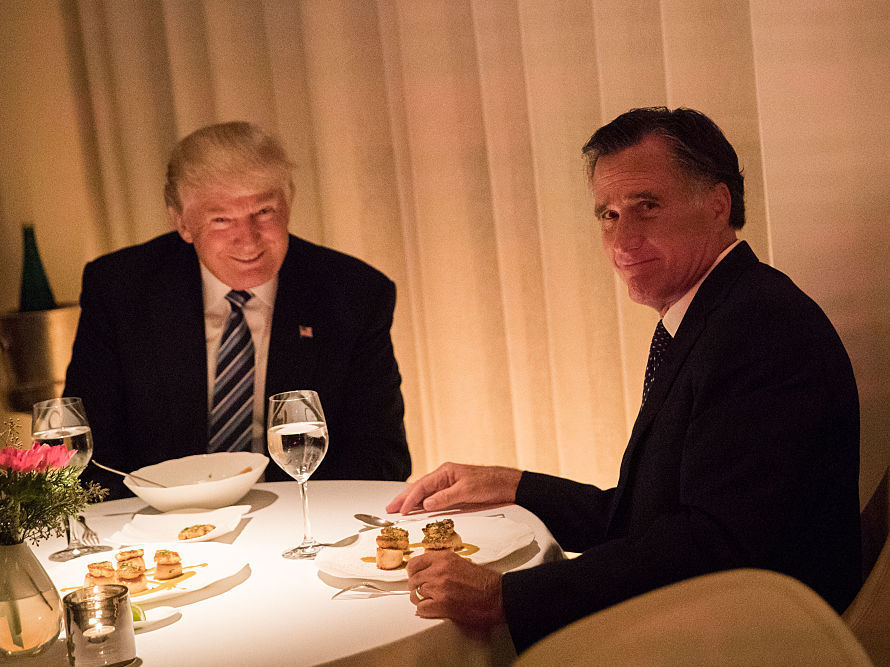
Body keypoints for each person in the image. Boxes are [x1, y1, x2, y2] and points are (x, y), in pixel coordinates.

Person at [386, 107, 860, 653]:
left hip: (762, 641)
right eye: (608, 214)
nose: (622, 238)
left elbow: (711, 543)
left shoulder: (761, 326)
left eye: (647, 206)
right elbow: (651, 520)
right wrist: (513, 484)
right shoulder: (718, 310)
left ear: (717, 204)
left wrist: (505, 596)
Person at [65, 121, 411, 498]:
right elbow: (88, 455)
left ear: (288, 202)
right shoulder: (121, 290)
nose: (248, 239)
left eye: (264, 211)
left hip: (301, 521)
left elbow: (381, 457)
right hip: (160, 526)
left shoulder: (353, 294)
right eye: (221, 219)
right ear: (182, 221)